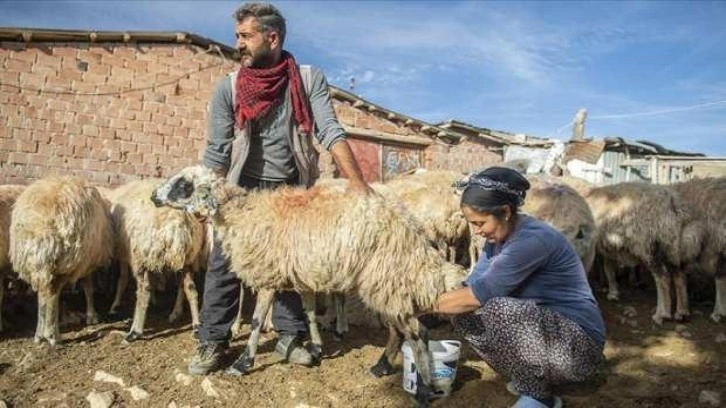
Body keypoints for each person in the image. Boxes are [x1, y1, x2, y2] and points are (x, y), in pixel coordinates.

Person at [188, 2, 372, 376]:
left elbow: (330, 130)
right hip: (241, 191)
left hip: (290, 188)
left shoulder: (305, 79)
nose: (238, 43)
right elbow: (217, 149)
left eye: (245, 36)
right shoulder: (229, 87)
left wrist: (358, 185)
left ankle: (290, 337)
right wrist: (204, 192)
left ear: (271, 38)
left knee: (292, 264)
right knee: (225, 263)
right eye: (237, 35)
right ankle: (213, 340)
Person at [430, 167, 606, 408]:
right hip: (546, 335)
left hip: (578, 348)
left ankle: (539, 396)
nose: (477, 230)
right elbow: (472, 284)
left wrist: (422, 303)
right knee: (463, 316)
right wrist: (440, 305)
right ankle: (529, 378)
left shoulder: (532, 240)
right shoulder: (497, 240)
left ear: (505, 211)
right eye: (472, 224)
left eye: (480, 222)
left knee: (497, 308)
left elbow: (482, 293)